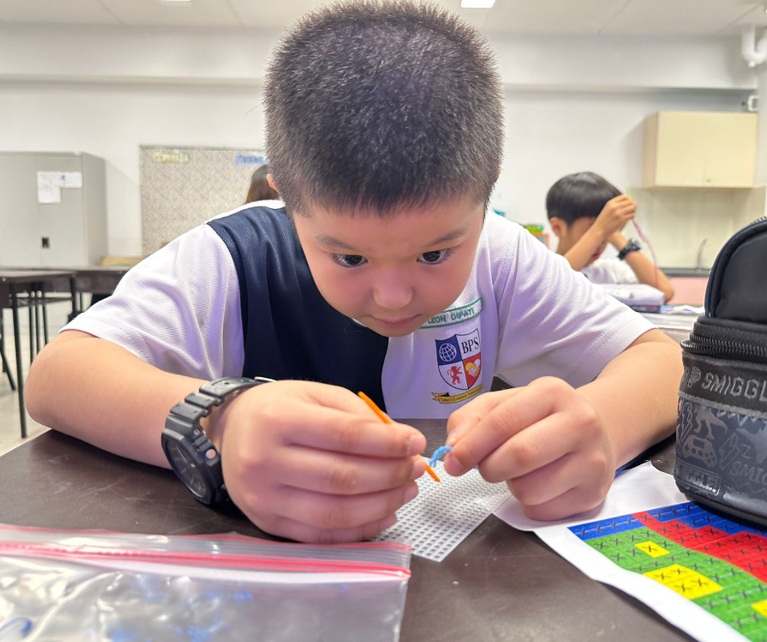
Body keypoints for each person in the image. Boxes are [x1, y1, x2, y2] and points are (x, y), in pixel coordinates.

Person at [25, 0, 682, 545]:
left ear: (484, 198)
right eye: (348, 257)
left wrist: (602, 421)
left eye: (434, 254)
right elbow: (58, 375)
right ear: (288, 200)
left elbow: (663, 362)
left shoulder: (500, 255)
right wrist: (218, 420)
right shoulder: (231, 257)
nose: (393, 297)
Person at [546, 171, 675, 302]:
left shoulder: (611, 271)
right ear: (558, 228)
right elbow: (551, 290)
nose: (600, 242)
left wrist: (613, 232)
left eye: (605, 231)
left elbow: (664, 293)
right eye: (591, 229)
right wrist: (600, 229)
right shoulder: (544, 268)